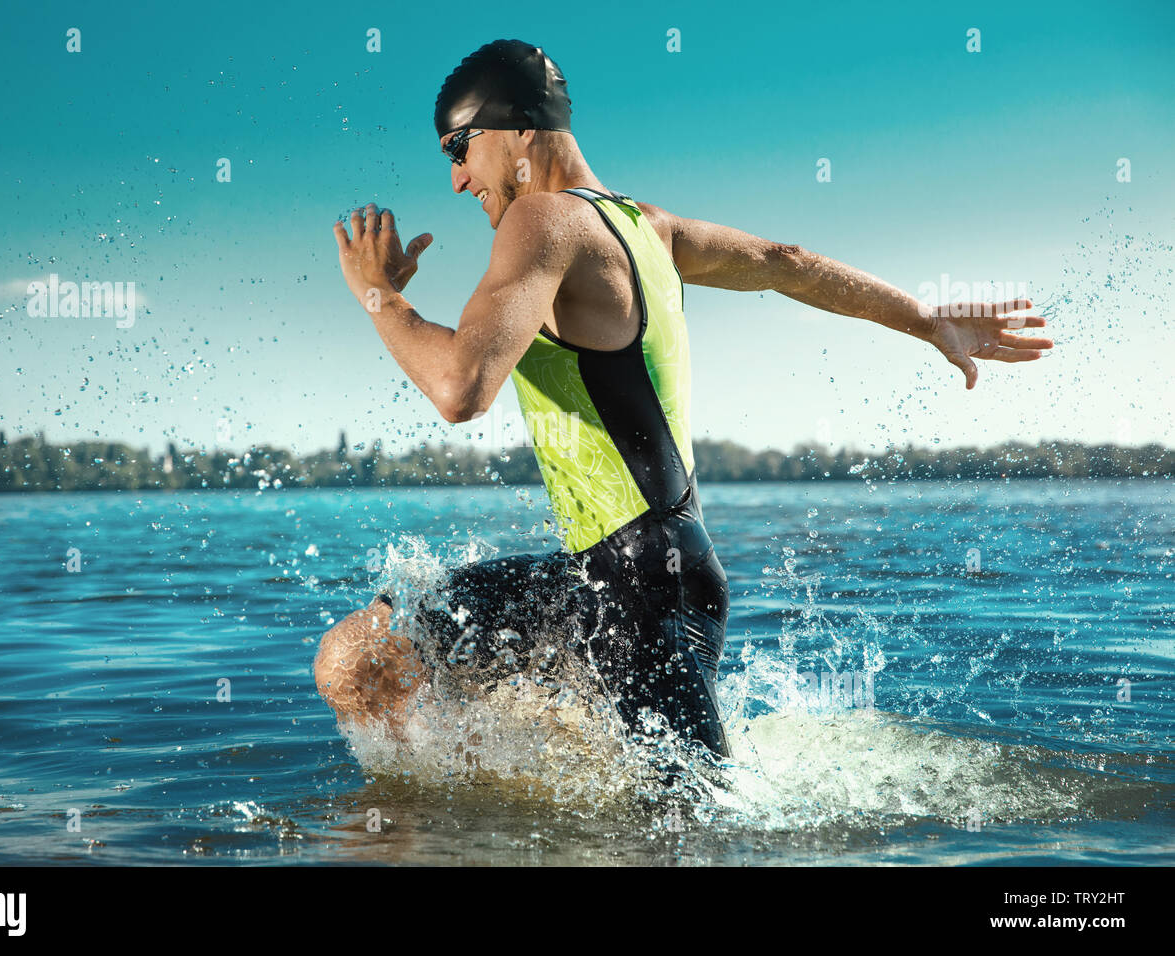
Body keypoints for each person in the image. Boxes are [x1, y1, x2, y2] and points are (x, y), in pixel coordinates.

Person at [316, 39, 1051, 761]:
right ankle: (457, 829)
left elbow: (460, 389)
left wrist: (377, 296)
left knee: (684, 831)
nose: (454, 179)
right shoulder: (649, 228)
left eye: (458, 148)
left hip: (640, 589)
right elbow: (784, 264)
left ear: (516, 129)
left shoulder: (540, 222)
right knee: (356, 659)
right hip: (621, 577)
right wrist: (926, 318)